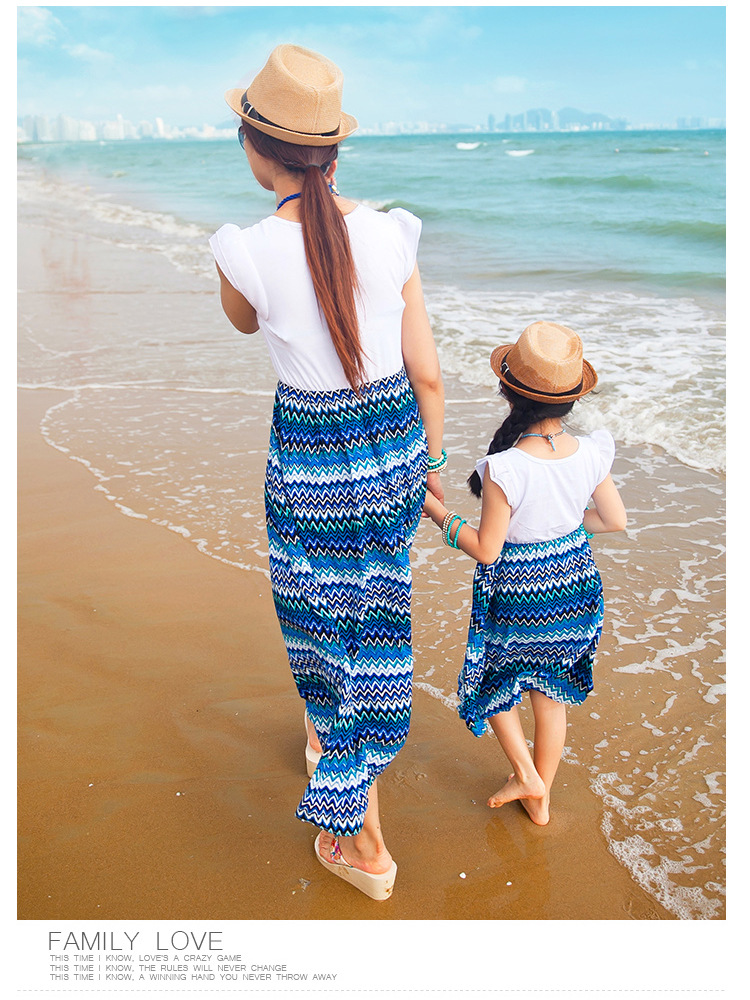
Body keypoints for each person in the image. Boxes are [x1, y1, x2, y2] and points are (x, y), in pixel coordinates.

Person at [209, 44, 445, 899]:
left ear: (254, 148)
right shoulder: (393, 231)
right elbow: (427, 373)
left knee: (322, 630)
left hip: (313, 458)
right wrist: (432, 462)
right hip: (395, 443)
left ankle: (366, 847)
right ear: (335, 149)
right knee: (373, 615)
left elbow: (245, 322)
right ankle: (332, 741)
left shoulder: (241, 249)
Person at [422, 321, 626, 826]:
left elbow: (487, 550)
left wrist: (437, 513)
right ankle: (541, 800)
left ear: (508, 392)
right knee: (551, 698)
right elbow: (614, 520)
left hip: (519, 592)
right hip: (575, 584)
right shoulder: (592, 453)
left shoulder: (506, 467)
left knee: (492, 683)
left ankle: (526, 775)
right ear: (572, 399)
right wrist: (561, 524)